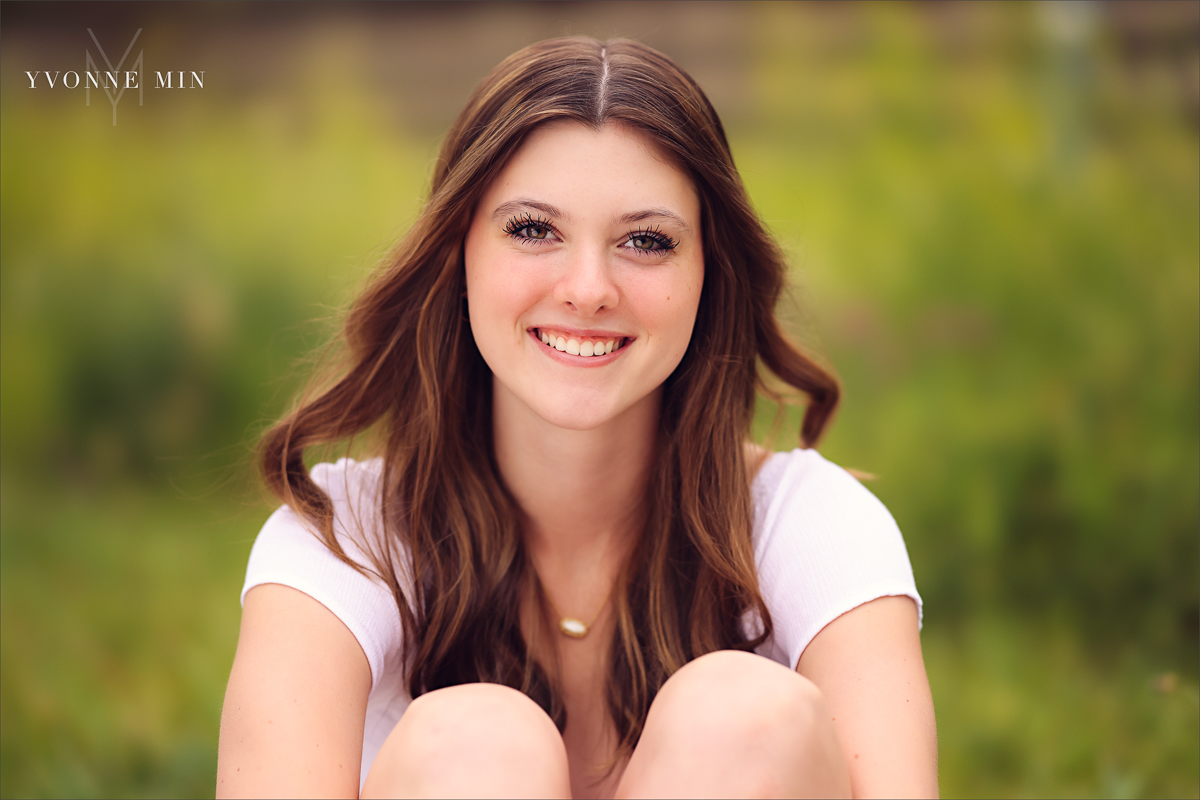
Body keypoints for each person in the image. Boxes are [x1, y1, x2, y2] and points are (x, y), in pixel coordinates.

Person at [216, 36, 937, 799]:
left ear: (707, 274)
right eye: (532, 229)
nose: (588, 288)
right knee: (474, 747)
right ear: (457, 252)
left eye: (646, 241)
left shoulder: (814, 526)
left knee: (746, 717)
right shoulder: (344, 542)